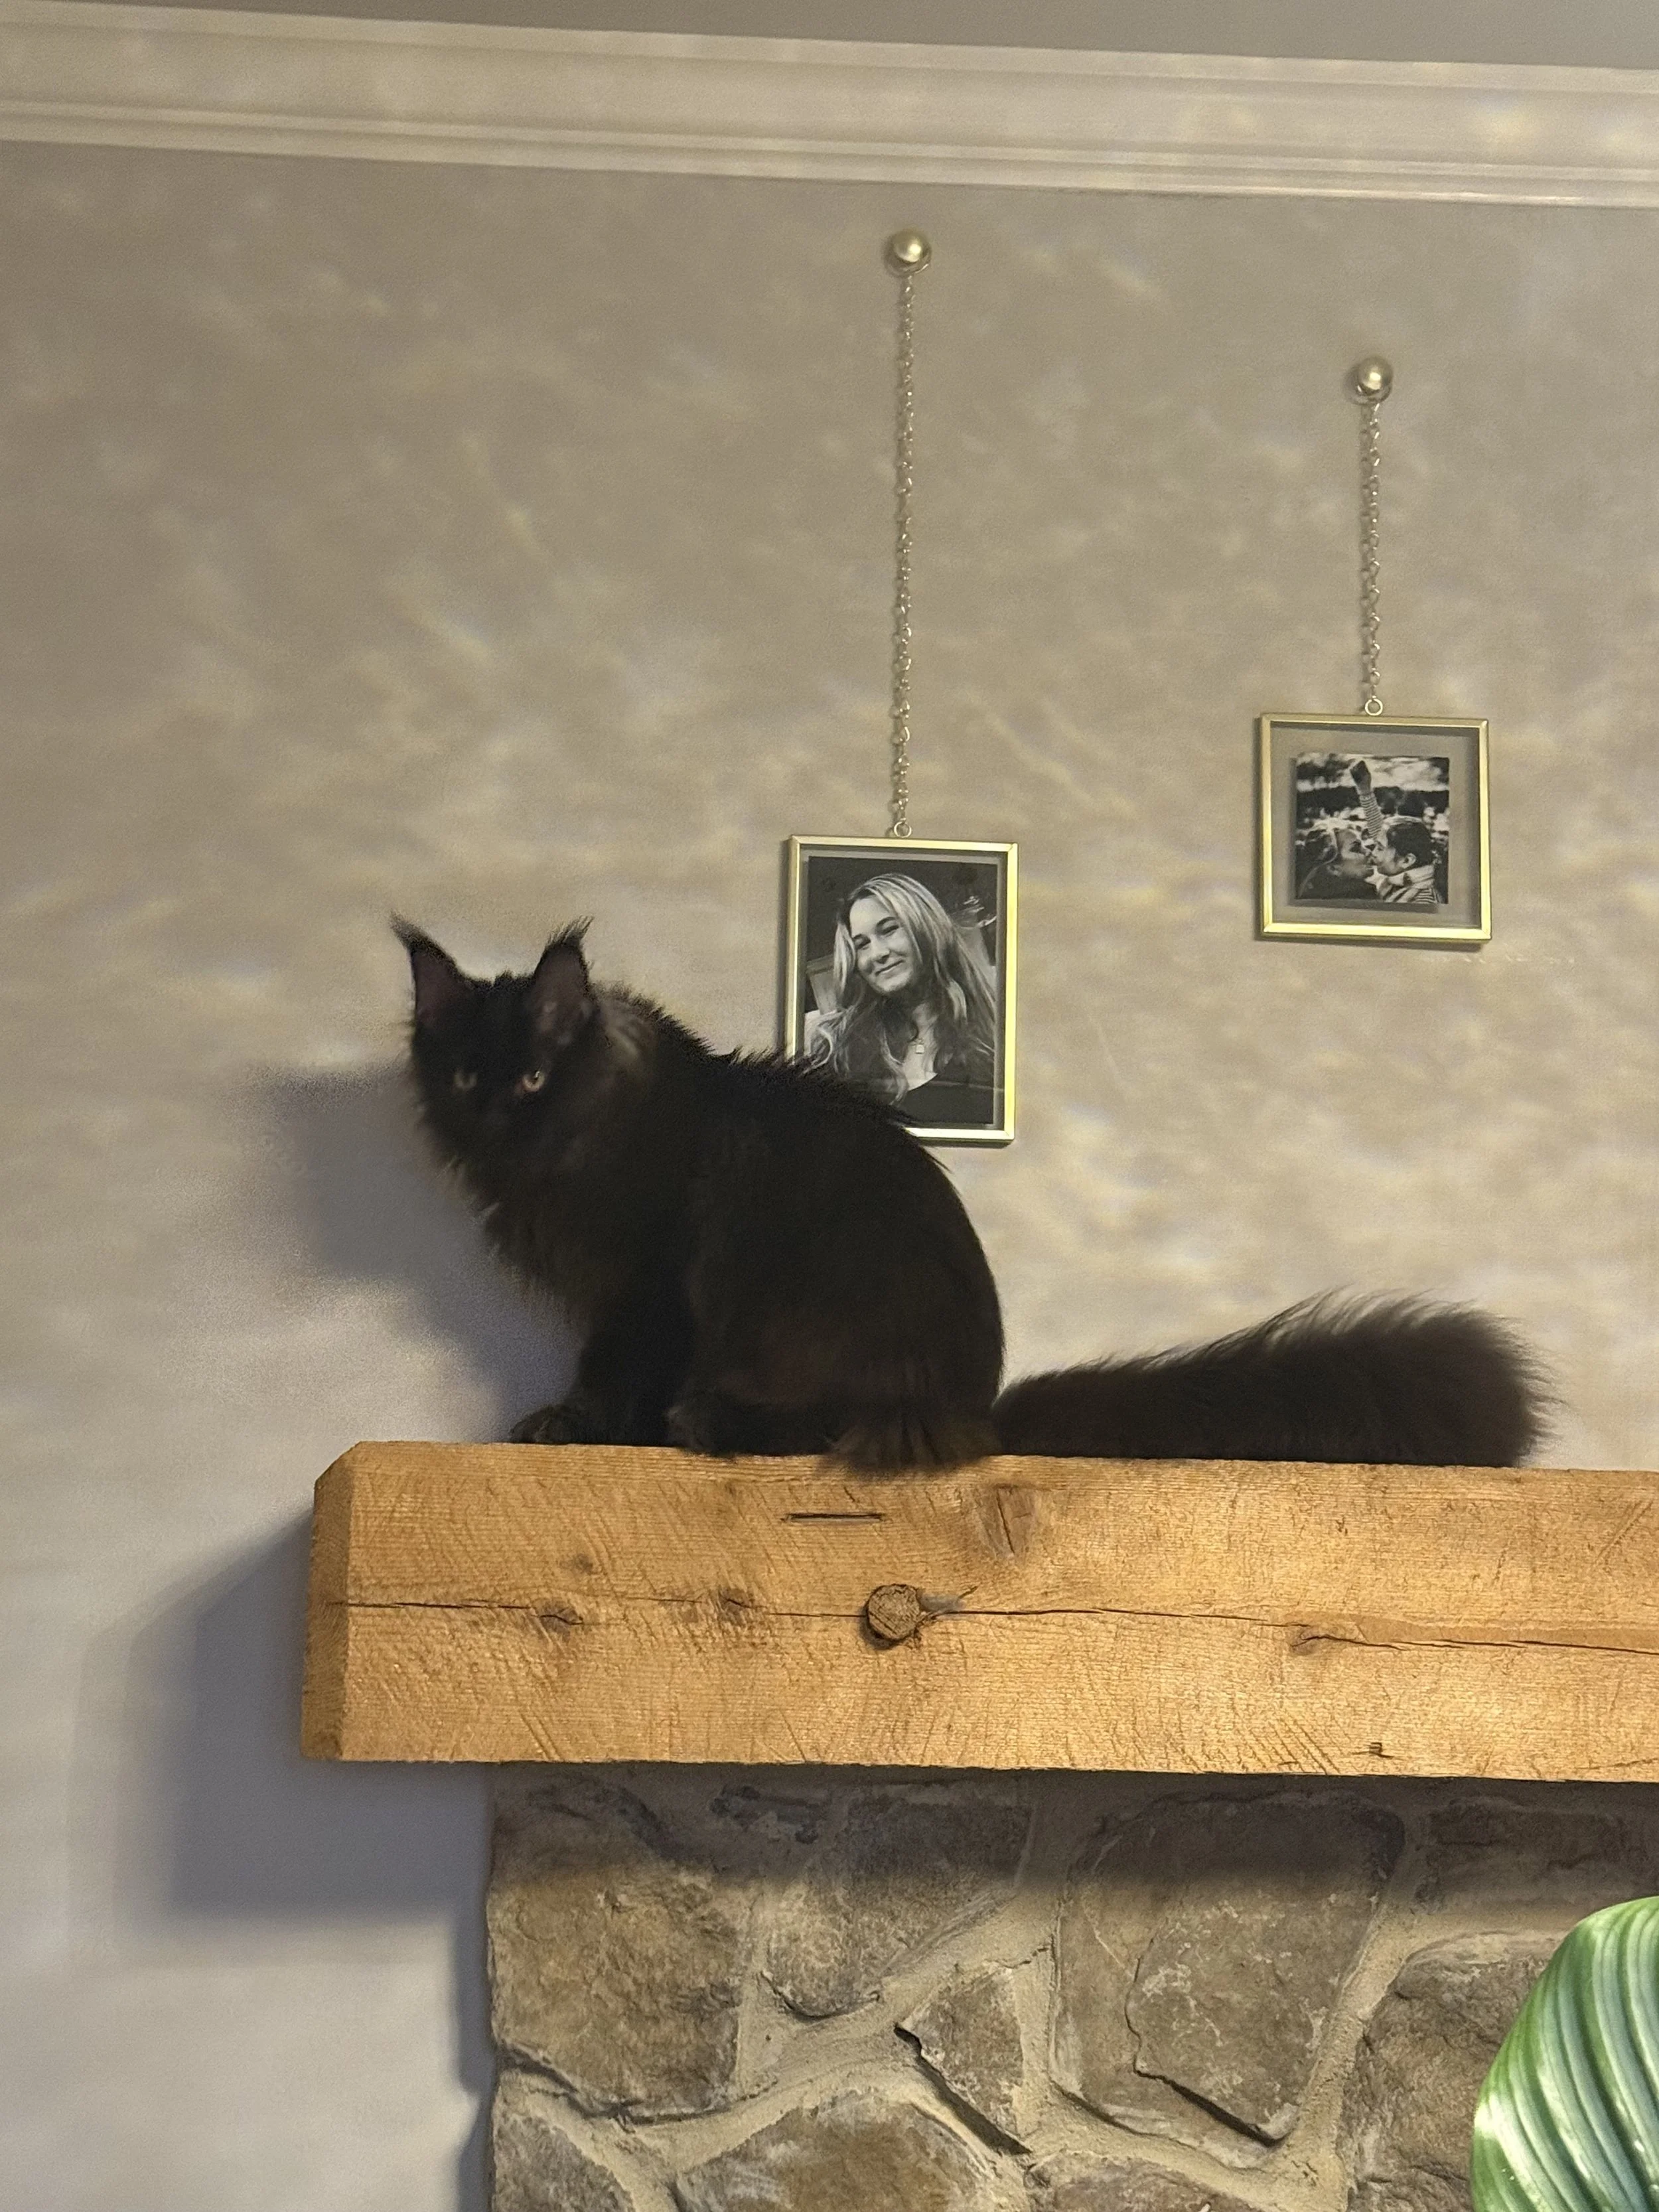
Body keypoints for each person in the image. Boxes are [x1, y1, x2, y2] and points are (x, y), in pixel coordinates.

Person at [803, 873, 999, 1128]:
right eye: (862, 945)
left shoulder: (995, 1033)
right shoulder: (837, 1049)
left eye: (890, 930)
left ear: (927, 929)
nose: (878, 954)